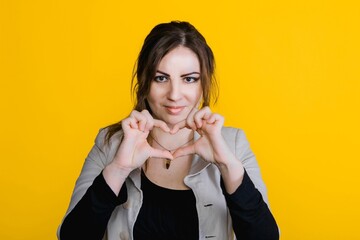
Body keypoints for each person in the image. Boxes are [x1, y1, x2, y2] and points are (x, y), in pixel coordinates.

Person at [57, 21, 279, 240]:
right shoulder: (110, 143)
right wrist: (119, 168)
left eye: (189, 79)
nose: (174, 94)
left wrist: (227, 165)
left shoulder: (233, 144)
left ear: (204, 84)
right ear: (144, 81)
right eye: (161, 78)